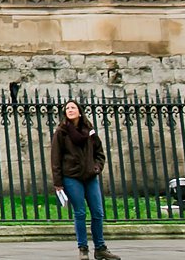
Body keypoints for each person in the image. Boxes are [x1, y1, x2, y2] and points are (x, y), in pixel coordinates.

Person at [49, 100, 119, 260]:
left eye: (73, 107)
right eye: (67, 108)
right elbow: (55, 158)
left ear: (79, 111)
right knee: (80, 213)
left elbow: (99, 153)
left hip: (90, 176)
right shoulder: (61, 132)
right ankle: (83, 248)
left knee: (98, 212)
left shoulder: (89, 131)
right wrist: (58, 183)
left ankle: (100, 248)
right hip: (71, 177)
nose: (70, 110)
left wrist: (97, 167)